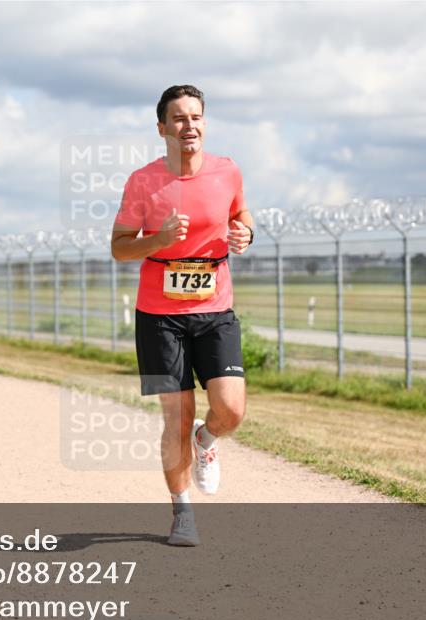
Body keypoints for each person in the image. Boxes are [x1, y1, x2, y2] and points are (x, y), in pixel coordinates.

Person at [110, 85, 253, 547]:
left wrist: (245, 233)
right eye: (178, 118)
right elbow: (119, 248)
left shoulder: (227, 171)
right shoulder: (143, 181)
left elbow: (242, 214)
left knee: (230, 410)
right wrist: (160, 239)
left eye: (195, 117)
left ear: (203, 124)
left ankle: (206, 441)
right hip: (158, 315)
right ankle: (182, 512)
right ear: (162, 129)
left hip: (215, 308)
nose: (188, 126)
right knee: (176, 416)